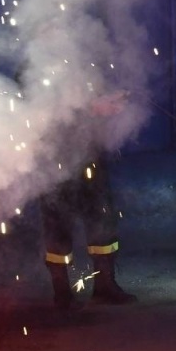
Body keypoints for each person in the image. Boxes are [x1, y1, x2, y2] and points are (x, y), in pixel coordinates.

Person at [42, 91, 137, 309]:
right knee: (58, 224)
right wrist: (89, 108)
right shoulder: (36, 64)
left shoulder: (87, 62)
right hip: (56, 161)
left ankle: (105, 284)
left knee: (102, 220)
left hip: (91, 156)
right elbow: (38, 104)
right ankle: (62, 292)